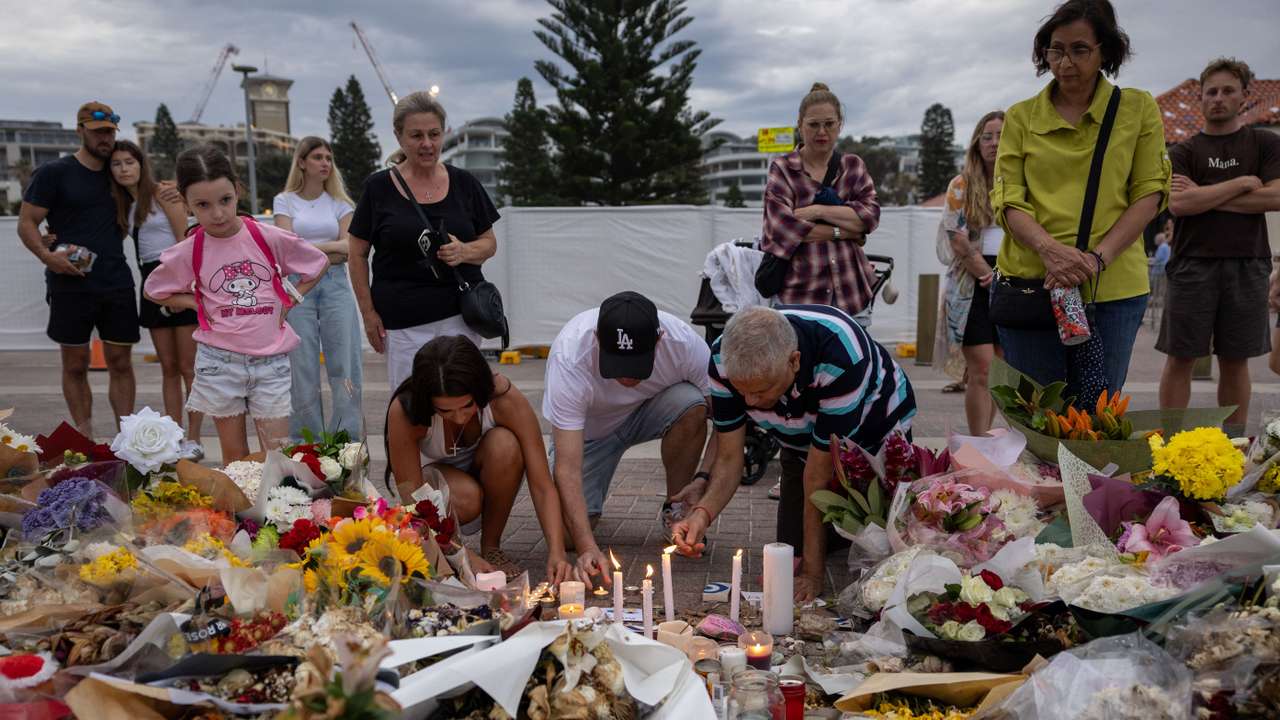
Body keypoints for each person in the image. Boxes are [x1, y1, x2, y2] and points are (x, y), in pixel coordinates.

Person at [670, 305, 916, 602]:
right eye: (742, 391)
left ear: (794, 361)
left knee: (884, 535)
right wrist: (701, 515)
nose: (750, 402)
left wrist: (813, 574)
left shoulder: (841, 354)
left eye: (761, 391)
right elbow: (729, 457)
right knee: (793, 548)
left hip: (875, 425)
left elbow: (818, 475)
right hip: (800, 437)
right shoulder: (724, 359)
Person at [990, 0, 1169, 396]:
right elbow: (1008, 200)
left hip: (1112, 287)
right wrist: (1051, 251)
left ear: (1105, 50)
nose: (1065, 61)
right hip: (1032, 283)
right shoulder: (1021, 116)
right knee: (1037, 413)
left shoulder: (1137, 109)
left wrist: (1094, 259)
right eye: (1056, 49)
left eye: (1079, 49)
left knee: (1097, 417)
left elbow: (1150, 193)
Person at [143, 146, 329, 462]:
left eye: (225, 200)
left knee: (277, 454)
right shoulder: (191, 249)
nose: (217, 214)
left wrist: (292, 297)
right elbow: (154, 289)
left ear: (237, 191)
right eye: (203, 205)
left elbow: (318, 262)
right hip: (219, 363)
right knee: (235, 457)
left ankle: (276, 510)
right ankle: (239, 512)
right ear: (187, 204)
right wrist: (196, 302)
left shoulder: (268, 236)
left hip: (269, 361)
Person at [544, 291, 718, 586]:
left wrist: (702, 479)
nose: (626, 378)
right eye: (617, 365)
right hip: (589, 435)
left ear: (659, 338)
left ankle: (677, 511)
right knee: (568, 535)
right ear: (598, 338)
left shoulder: (684, 343)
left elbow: (727, 424)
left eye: (636, 365)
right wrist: (587, 546)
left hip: (648, 412)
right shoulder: (570, 355)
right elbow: (567, 468)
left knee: (693, 404)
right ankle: (589, 515)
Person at [1157, 57, 1280, 438]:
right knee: (1180, 358)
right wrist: (1243, 183)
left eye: (1228, 90)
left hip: (1248, 263)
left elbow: (1276, 197)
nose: (1218, 98)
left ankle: (1234, 446)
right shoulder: (1183, 150)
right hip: (1192, 264)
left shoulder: (1264, 142)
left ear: (1245, 96)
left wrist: (1205, 196)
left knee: (1235, 360)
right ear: (1200, 99)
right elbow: (1179, 205)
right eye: (1211, 92)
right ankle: (1170, 445)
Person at [386, 336, 574, 583]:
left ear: (480, 390)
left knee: (505, 445)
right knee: (467, 497)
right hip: (439, 488)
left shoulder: (503, 397)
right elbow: (412, 497)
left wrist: (557, 552)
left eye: (467, 406)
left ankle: (491, 546)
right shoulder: (406, 411)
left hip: (491, 469)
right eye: (444, 410)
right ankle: (449, 552)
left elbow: (542, 484)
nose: (459, 417)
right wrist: (461, 553)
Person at [349, 92, 500, 392]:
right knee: (411, 408)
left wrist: (464, 250)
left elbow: (489, 243)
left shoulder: (465, 183)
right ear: (399, 137)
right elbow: (357, 255)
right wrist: (368, 314)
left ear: (444, 132)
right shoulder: (378, 188)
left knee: (464, 404)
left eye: (434, 134)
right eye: (416, 135)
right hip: (403, 323)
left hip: (461, 318)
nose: (427, 144)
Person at [17, 102, 138, 438]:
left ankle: (126, 441)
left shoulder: (121, 172)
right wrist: (46, 255)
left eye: (110, 132)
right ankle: (85, 440)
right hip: (69, 283)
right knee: (74, 365)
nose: (105, 139)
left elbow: (150, 193)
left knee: (121, 363)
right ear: (80, 130)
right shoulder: (55, 172)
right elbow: (27, 222)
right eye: (98, 132)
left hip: (115, 280)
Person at [108, 140, 204, 458]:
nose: (123, 169)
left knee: (189, 367)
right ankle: (173, 437)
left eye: (129, 162)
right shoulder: (124, 204)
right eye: (116, 164)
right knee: (168, 366)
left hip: (178, 278)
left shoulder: (164, 194)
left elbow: (184, 241)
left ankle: (193, 437)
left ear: (141, 164)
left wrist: (185, 288)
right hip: (150, 283)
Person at [761, 83, 881, 315]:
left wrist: (817, 211)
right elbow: (780, 230)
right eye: (813, 124)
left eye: (829, 124)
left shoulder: (853, 166)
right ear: (800, 125)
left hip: (852, 293)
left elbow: (870, 218)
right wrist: (846, 231)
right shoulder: (783, 169)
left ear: (840, 124)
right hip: (799, 296)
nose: (822, 132)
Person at [273, 137, 363, 440]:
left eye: (328, 157)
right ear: (301, 162)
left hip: (336, 283)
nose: (325, 162)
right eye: (317, 157)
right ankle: (306, 445)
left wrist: (306, 247)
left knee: (344, 366)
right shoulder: (284, 201)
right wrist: (328, 247)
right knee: (302, 369)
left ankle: (345, 444)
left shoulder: (341, 203)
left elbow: (348, 249)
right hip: (299, 287)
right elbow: (285, 250)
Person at [935, 111, 1005, 435]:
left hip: (1013, 281)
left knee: (999, 369)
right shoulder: (961, 185)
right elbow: (957, 238)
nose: (993, 143)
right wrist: (987, 274)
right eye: (987, 136)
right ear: (977, 142)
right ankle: (979, 444)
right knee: (982, 367)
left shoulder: (1021, 182)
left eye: (1001, 135)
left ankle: (988, 441)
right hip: (972, 283)